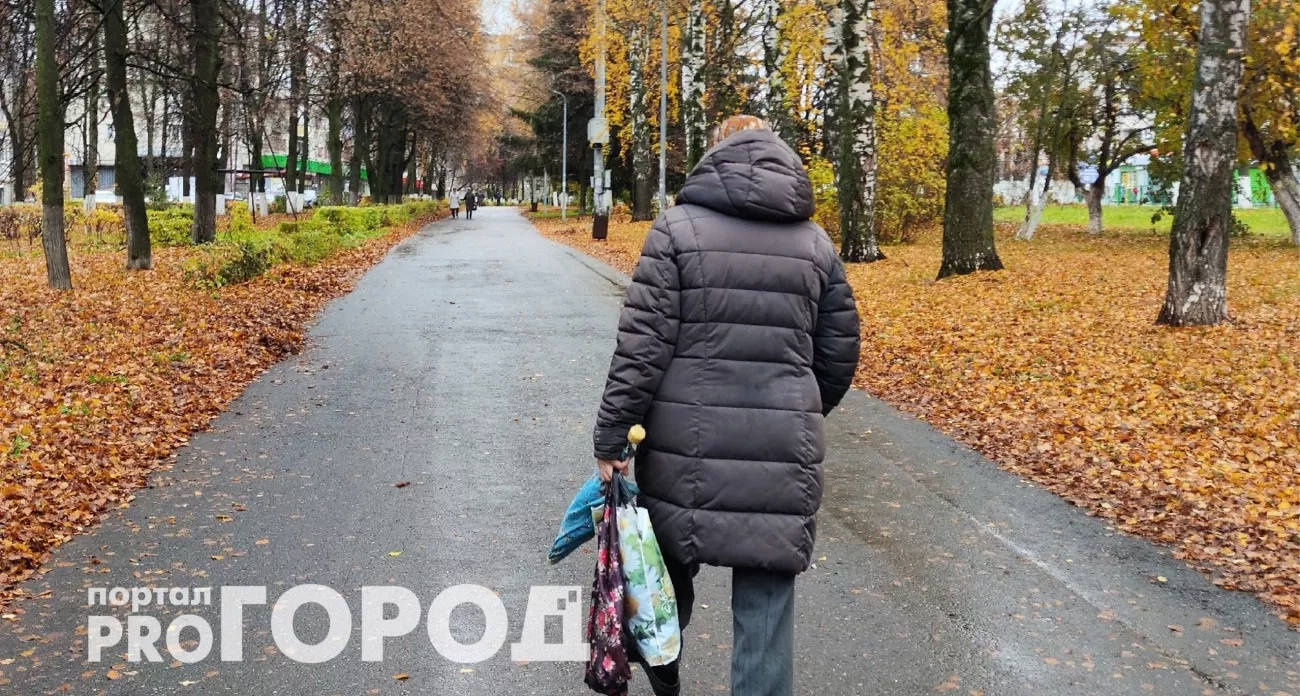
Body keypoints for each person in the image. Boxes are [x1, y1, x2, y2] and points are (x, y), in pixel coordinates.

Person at [591, 115, 860, 696]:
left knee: (663, 579)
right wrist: (798, 412)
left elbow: (641, 347)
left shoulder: (676, 230)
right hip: (781, 455)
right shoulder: (815, 244)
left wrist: (611, 439)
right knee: (765, 610)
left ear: (716, 155)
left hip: (681, 447)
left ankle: (665, 677)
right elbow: (838, 355)